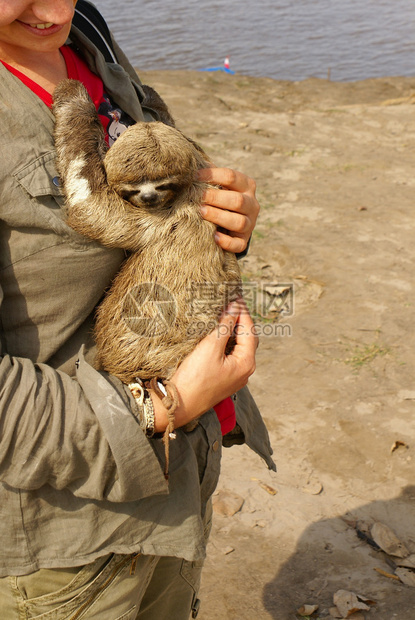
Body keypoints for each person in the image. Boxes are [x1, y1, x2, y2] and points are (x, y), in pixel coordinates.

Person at [0, 1, 275, 618]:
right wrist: (162, 405)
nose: (48, 9)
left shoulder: (86, 31)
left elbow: (159, 187)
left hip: (178, 483)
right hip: (70, 528)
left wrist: (218, 222)